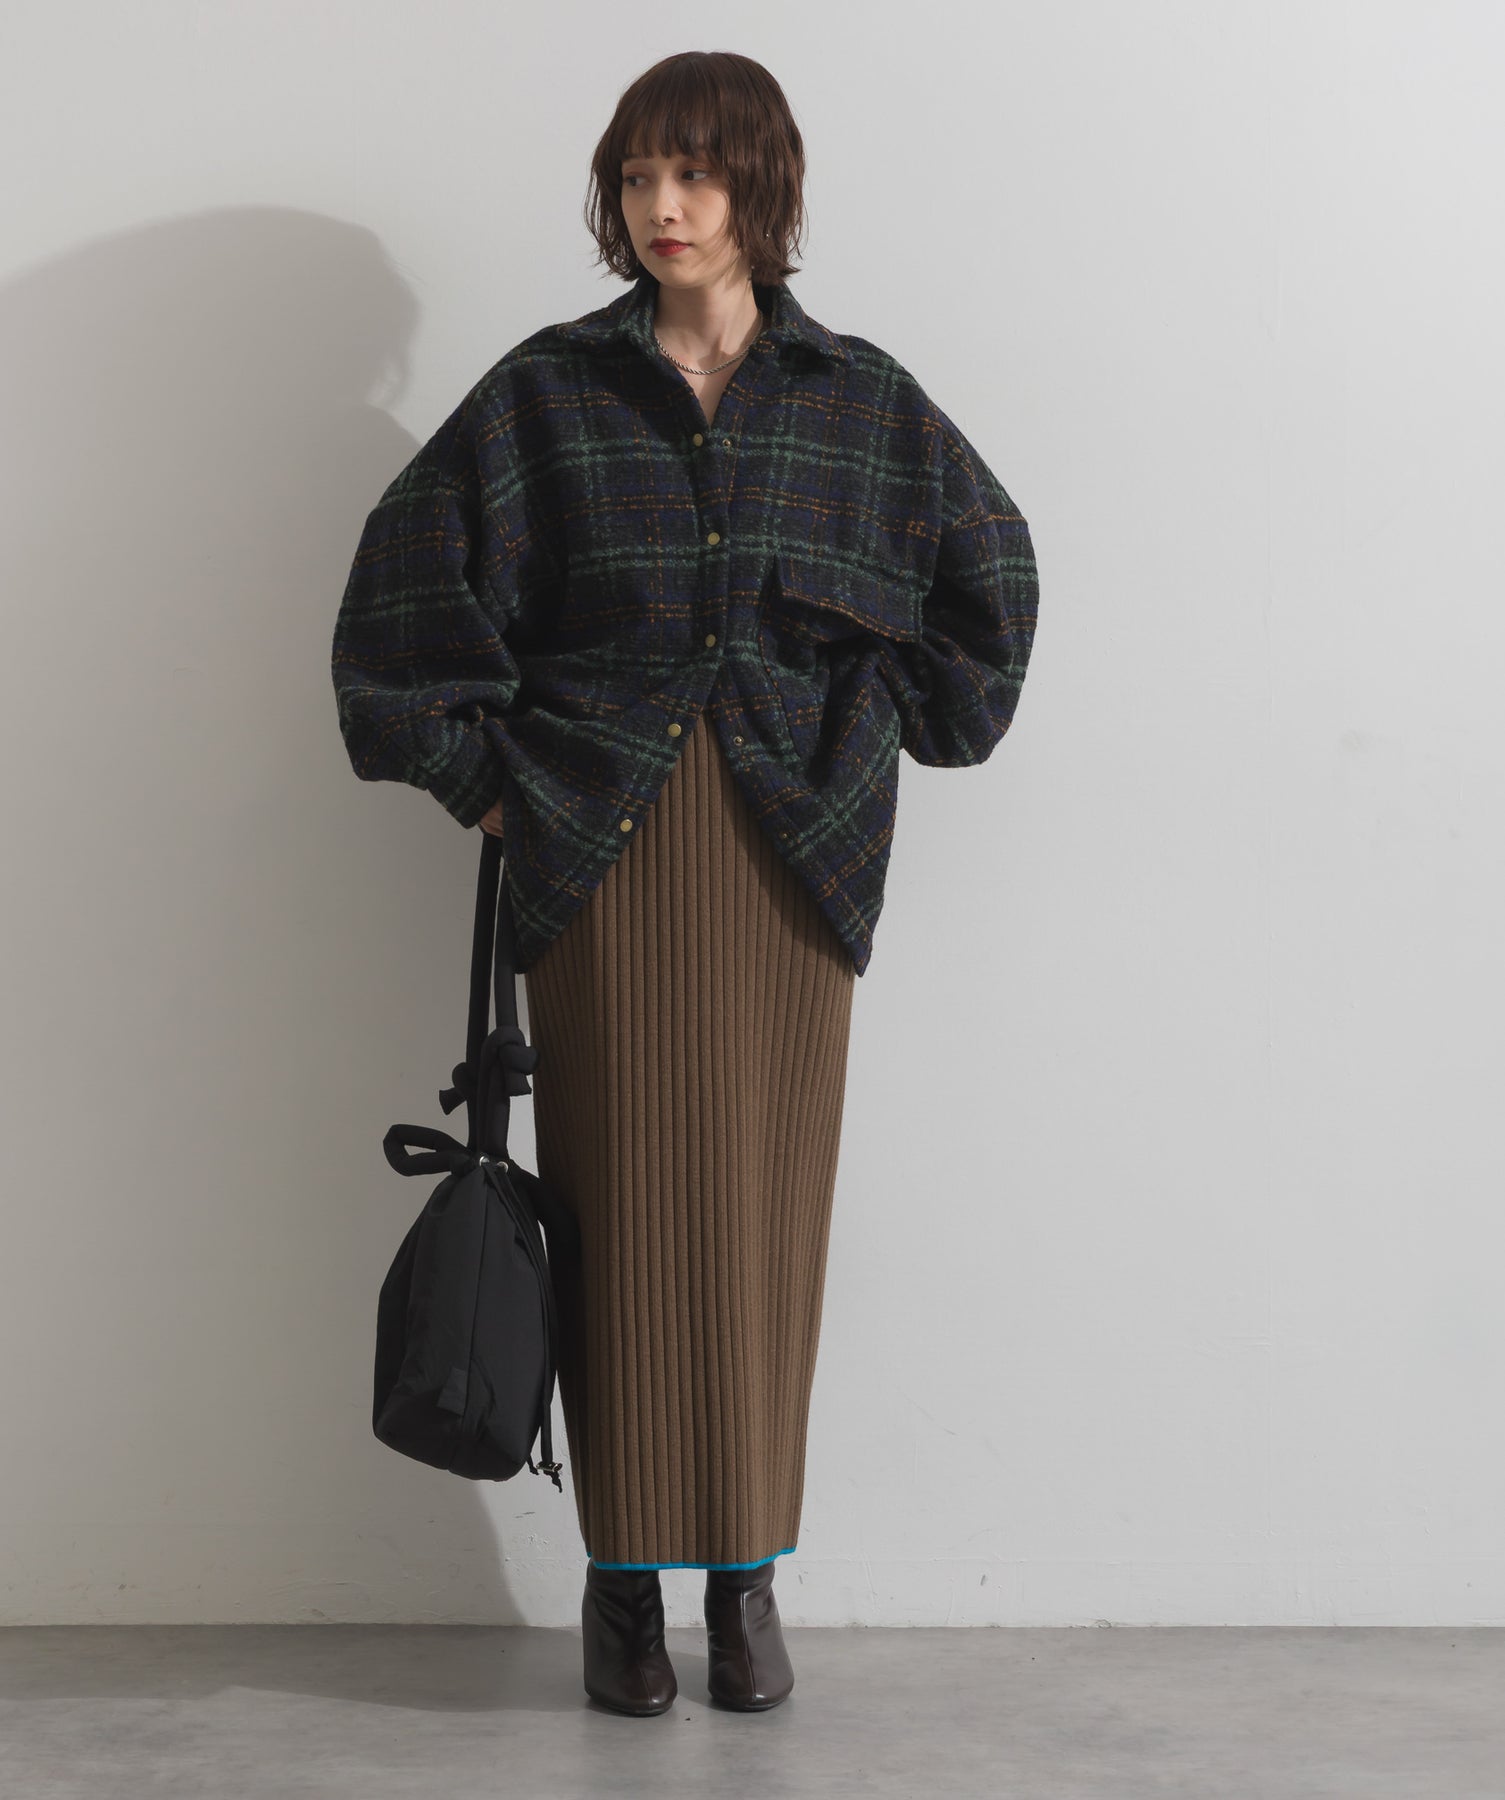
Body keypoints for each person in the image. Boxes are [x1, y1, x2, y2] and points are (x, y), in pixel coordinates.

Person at [331, 49, 1039, 1718]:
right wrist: (489, 789)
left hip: (795, 862)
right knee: (618, 1217)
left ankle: (746, 1579)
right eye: (640, 174)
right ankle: (622, 1588)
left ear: (760, 189)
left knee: (764, 1223)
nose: (664, 205)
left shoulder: (856, 401)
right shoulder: (546, 397)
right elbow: (394, 618)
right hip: (601, 858)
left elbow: (988, 583)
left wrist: (876, 722)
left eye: (698, 173)